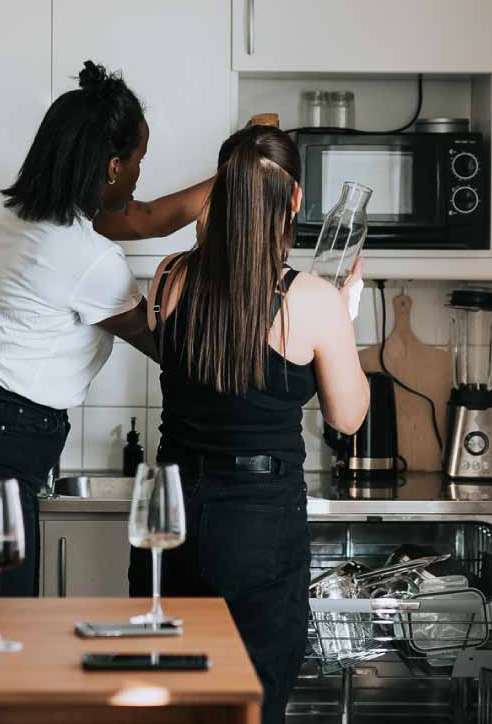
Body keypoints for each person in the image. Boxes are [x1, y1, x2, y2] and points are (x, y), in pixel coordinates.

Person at [0, 61, 214, 598]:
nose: (141, 174)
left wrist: (232, 177)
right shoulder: (88, 257)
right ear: (113, 167)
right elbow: (170, 348)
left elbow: (147, 216)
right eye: (140, 161)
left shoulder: (26, 219)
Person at [128, 125, 369, 724]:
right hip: (258, 524)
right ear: (294, 202)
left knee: (168, 702)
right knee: (251, 704)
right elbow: (348, 415)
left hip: (172, 516)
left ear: (222, 191)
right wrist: (346, 316)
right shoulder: (310, 298)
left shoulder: (169, 276)